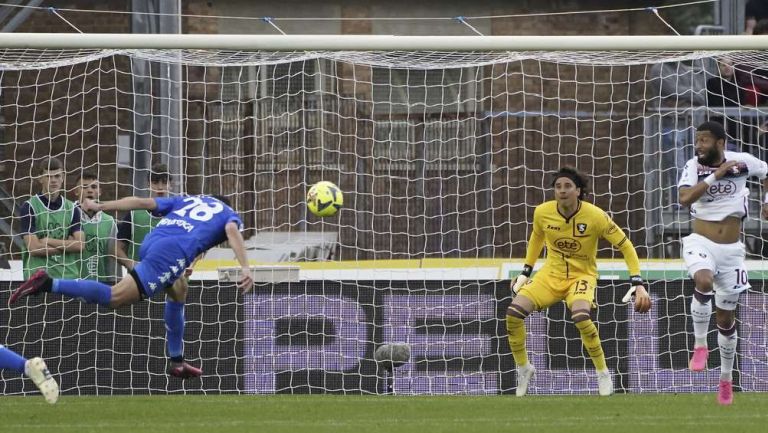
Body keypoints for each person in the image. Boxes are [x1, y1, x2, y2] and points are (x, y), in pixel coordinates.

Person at [9, 194, 254, 378]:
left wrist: (101, 206)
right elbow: (232, 230)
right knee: (116, 297)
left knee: (179, 289)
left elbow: (143, 203)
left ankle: (177, 360)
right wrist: (245, 267)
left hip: (152, 241)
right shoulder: (228, 214)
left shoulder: (188, 200)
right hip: (170, 253)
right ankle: (49, 283)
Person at [506, 167, 651, 397]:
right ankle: (524, 368)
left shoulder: (595, 216)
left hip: (582, 276)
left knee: (581, 316)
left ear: (578, 191)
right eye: (558, 187)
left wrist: (637, 281)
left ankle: (603, 373)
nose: (562, 191)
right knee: (513, 314)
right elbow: (536, 238)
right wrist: (526, 271)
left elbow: (625, 245)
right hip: (550, 275)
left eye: (567, 186)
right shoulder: (542, 212)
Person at [677, 121, 768, 406]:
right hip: (700, 242)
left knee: (726, 320)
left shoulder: (743, 162)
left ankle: (726, 380)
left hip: (732, 251)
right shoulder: (694, 166)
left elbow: (766, 172)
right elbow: (684, 198)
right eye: (697, 141)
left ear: (719, 142)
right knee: (703, 281)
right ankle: (700, 345)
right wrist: (715, 176)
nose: (698, 146)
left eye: (704, 141)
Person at [114, 164, 197, 378]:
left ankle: (177, 360)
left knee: (177, 313)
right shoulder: (135, 214)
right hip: (142, 285)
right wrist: (131, 264)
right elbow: (116, 248)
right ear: (148, 184)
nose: (160, 187)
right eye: (155, 182)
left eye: (164, 182)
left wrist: (192, 262)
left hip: (173, 283)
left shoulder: (182, 212)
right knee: (136, 350)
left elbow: (199, 243)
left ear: (170, 184)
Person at [19, 157, 84, 279]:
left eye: (57, 176)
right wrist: (67, 246)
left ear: (63, 177)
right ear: (40, 178)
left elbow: (80, 245)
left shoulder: (72, 208)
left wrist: (47, 241)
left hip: (68, 276)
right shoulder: (29, 207)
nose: (53, 180)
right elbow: (33, 248)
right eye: (49, 176)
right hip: (39, 279)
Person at [73, 171, 119, 283]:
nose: (89, 190)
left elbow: (112, 258)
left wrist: (113, 283)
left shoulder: (109, 221)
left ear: (100, 192)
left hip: (101, 285)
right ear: (76, 191)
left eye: (94, 187)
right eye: (84, 187)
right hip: (73, 284)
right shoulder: (68, 215)